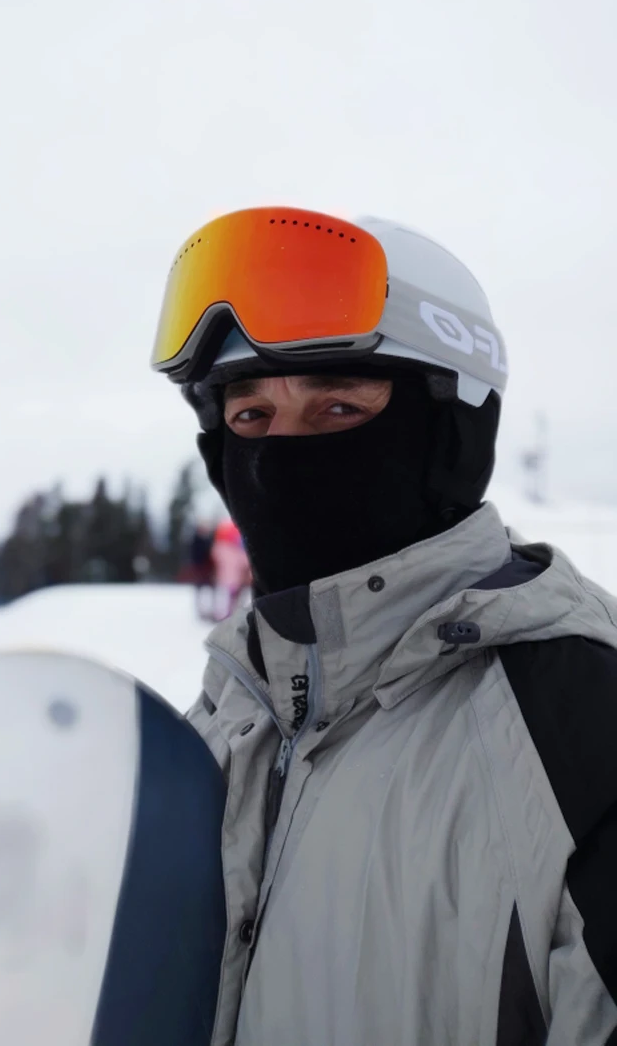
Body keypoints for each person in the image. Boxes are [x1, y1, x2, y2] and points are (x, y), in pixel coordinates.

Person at [150, 207, 617, 1045]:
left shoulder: (578, 721)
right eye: (249, 417)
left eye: (336, 409)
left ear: (451, 432)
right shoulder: (227, 722)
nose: (275, 458)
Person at [210, 518, 251, 622]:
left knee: (229, 596)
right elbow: (244, 563)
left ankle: (227, 614)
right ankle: (231, 614)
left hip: (229, 580)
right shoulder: (234, 551)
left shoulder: (219, 548)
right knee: (234, 597)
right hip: (236, 579)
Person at [188, 519, 217, 619]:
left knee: (210, 590)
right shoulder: (196, 540)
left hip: (208, 569)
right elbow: (195, 556)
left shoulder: (209, 540)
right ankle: (201, 611)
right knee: (200, 590)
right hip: (200, 569)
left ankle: (210, 610)